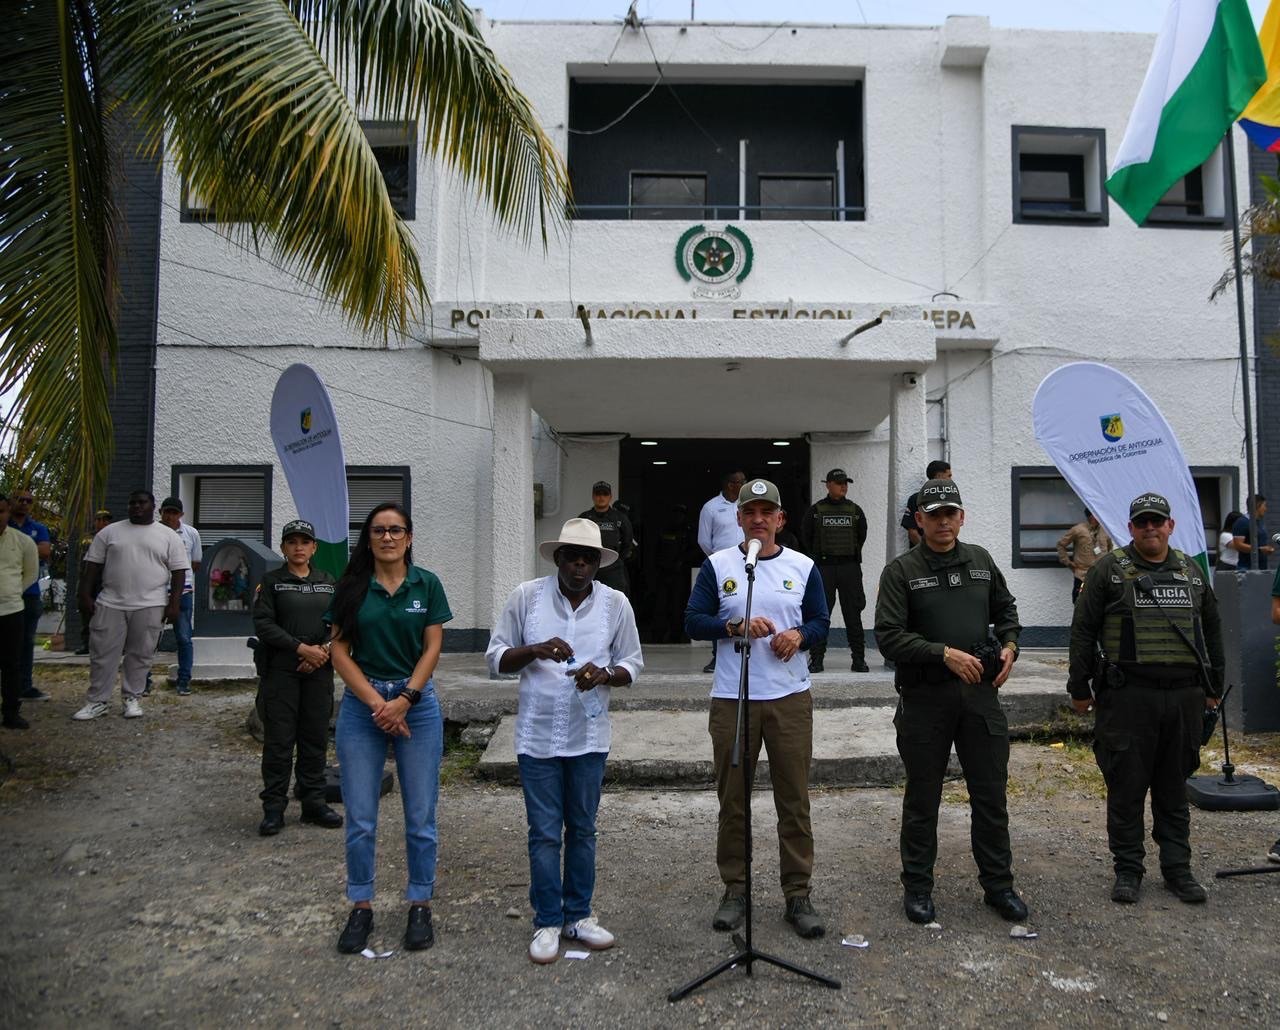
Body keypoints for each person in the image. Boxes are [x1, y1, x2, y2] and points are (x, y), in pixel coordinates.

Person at [487, 518, 643, 965]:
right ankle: (547, 921)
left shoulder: (616, 604)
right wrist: (534, 649)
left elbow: (633, 664)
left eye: (588, 559)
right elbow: (495, 658)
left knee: (583, 830)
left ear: (598, 563)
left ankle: (578, 916)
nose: (579, 566)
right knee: (543, 834)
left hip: (588, 737)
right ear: (557, 558)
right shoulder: (526, 597)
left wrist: (604, 674)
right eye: (572, 557)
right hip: (537, 737)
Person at [874, 477, 1026, 927]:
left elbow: (1007, 611)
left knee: (991, 797)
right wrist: (943, 654)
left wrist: (1010, 646)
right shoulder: (901, 571)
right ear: (919, 521)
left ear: (961, 517)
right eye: (934, 514)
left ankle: (999, 886)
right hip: (926, 700)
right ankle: (918, 887)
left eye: (950, 513)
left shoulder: (981, 561)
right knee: (923, 799)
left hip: (980, 698)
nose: (943, 521)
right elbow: (889, 637)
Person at [685, 478, 830, 939]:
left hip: (789, 699)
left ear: (781, 519)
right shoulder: (719, 565)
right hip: (734, 699)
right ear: (739, 518)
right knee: (733, 802)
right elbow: (693, 621)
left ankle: (798, 894)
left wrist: (800, 636)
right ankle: (736, 890)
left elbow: (821, 620)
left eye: (767, 512)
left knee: (794, 801)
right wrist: (734, 626)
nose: (759, 519)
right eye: (750, 512)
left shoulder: (803, 566)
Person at [1067, 492, 1224, 905]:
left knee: (1173, 789)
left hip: (1184, 698)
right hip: (1128, 698)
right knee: (1126, 787)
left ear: (1170, 526)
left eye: (1157, 521)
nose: (1150, 528)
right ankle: (1128, 870)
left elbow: (1211, 632)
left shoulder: (1192, 572)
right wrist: (1079, 688)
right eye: (1142, 522)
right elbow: (1083, 631)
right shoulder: (1108, 571)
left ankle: (1178, 870)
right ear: (1130, 528)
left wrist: (1213, 688)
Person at [327, 503, 451, 955]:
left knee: (420, 816)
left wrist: (405, 699)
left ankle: (420, 903)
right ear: (369, 538)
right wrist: (378, 704)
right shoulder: (351, 588)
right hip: (364, 708)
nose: (387, 538)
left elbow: (432, 646)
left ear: (409, 537)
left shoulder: (427, 584)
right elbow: (338, 651)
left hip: (416, 705)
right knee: (361, 818)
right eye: (379, 531)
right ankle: (361, 905)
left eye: (396, 530)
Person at [251, 519, 343, 837]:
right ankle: (274, 808)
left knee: (314, 738)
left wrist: (322, 652)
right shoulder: (272, 582)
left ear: (314, 547)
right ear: (283, 548)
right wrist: (300, 649)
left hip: (319, 671)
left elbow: (340, 623)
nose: (299, 547)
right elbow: (264, 624)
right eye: (292, 542)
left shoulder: (328, 582)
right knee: (279, 742)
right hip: (281, 672)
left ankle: (313, 802)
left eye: (305, 542)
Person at [73, 492, 189, 721]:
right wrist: (84, 594)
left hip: (151, 603)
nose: (137, 506)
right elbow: (92, 566)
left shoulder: (168, 535)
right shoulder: (110, 532)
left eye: (142, 503)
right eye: (132, 503)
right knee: (102, 653)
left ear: (153, 507)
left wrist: (174, 603)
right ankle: (97, 701)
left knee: (141, 654)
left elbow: (179, 572)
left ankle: (131, 697)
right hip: (111, 602)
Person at [800, 468, 869, 673]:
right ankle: (817, 660)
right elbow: (806, 537)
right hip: (824, 568)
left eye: (845, 483)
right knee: (820, 614)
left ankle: (859, 660)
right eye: (839, 483)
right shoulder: (815, 511)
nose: (843, 486)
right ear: (828, 485)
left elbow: (861, 536)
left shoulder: (855, 510)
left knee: (853, 615)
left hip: (849, 567)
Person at [697, 470, 746, 673]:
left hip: (748, 563)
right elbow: (703, 540)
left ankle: (747, 653)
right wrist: (720, 560)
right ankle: (718, 656)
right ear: (730, 485)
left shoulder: (747, 504)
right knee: (720, 610)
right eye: (740, 482)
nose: (744, 484)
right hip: (722, 566)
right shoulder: (711, 507)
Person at [0, 496, 41, 729]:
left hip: (11, 610)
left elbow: (31, 574)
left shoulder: (23, 542)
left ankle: (11, 712)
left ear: (7, 512)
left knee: (11, 663)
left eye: (1, 511)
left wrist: (11, 592)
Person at [9, 489, 52, 703]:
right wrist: (29, 548)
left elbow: (45, 552)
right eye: (21, 499)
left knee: (26, 641)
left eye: (29, 501)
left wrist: (16, 548)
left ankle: (24, 685)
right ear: (11, 501)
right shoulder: (5, 525)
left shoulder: (38, 528)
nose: (25, 503)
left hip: (30, 593)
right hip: (6, 592)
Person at [158, 497, 202, 695]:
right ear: (160, 512)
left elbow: (195, 563)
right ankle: (143, 681)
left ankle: (184, 680)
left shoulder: (191, 533)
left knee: (184, 638)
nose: (170, 516)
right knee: (149, 638)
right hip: (156, 590)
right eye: (167, 512)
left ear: (181, 515)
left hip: (183, 591)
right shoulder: (152, 532)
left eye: (174, 513)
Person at [578, 481, 635, 595]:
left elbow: (628, 543)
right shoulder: (584, 518)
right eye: (598, 494)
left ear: (610, 497)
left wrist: (617, 559)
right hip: (589, 567)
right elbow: (576, 541)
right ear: (593, 496)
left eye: (605, 494)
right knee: (585, 599)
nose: (601, 497)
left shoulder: (620, 518)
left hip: (613, 569)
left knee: (615, 599)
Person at [75, 510, 112, 655]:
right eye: (100, 520)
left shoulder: (113, 538)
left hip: (105, 580)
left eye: (106, 520)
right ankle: (87, 644)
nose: (103, 523)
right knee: (86, 613)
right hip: (88, 579)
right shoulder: (87, 539)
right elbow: (81, 561)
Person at [1056, 508, 1112, 603]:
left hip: (1102, 577)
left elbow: (1109, 547)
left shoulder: (1105, 530)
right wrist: (1067, 562)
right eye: (1096, 515)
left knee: (1101, 604)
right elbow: (1061, 545)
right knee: (1080, 603)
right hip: (1082, 576)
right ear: (1091, 516)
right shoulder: (1078, 530)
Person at [900, 460, 952, 548]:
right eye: (949, 476)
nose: (951, 480)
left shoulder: (950, 499)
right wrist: (928, 551)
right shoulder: (917, 499)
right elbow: (913, 533)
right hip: (921, 555)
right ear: (939, 476)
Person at [1231, 495, 1273, 571]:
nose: (1265, 509)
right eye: (1264, 506)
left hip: (1261, 568)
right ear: (1257, 505)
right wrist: (1259, 549)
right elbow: (1238, 545)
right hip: (1247, 568)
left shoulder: (1258, 522)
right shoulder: (1242, 522)